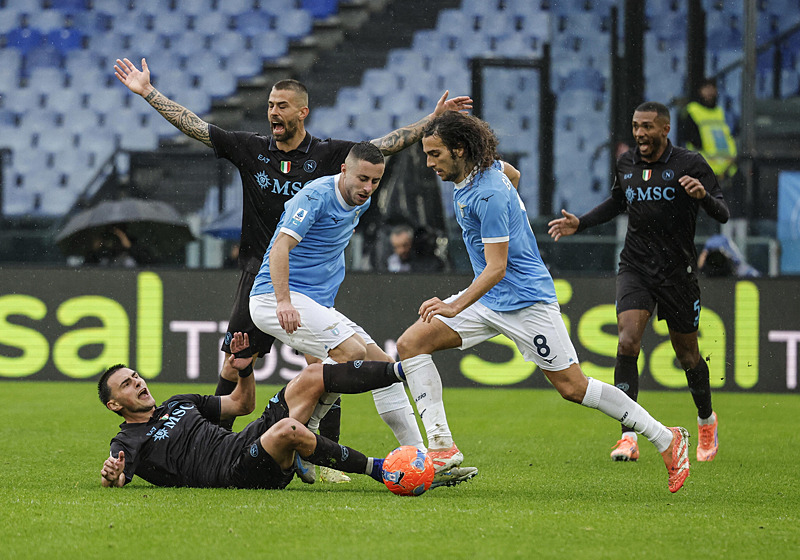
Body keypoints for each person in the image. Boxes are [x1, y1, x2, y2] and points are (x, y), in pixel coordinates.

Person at [112, 57, 473, 443]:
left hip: (310, 279)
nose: (273, 112)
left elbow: (386, 145)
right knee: (236, 362)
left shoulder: (332, 156)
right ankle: (209, 441)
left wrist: (430, 124)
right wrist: (149, 92)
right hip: (261, 274)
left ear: (302, 112)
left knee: (329, 361)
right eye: (269, 105)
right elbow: (198, 128)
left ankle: (323, 452)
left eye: (281, 105)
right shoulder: (251, 149)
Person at [393, 111, 690, 493]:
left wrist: (454, 306)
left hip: (525, 301)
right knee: (411, 344)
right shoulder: (485, 171)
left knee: (573, 388)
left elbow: (497, 268)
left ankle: (667, 439)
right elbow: (512, 173)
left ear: (459, 150)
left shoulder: (489, 194)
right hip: (491, 300)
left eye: (435, 154)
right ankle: (442, 447)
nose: (429, 163)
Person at [248, 141, 477, 488]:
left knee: (380, 366)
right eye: (362, 178)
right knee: (350, 353)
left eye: (375, 181)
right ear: (343, 170)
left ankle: (422, 459)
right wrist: (283, 302)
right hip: (273, 297)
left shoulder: (362, 200)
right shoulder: (315, 198)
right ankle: (304, 437)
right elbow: (280, 247)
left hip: (314, 302)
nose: (368, 188)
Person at [548, 101, 730, 465]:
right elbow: (618, 202)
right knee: (628, 340)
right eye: (635, 126)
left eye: (647, 127)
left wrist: (703, 197)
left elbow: (723, 213)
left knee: (688, 355)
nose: (639, 134)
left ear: (665, 129)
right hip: (636, 266)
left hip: (677, 272)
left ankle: (706, 421)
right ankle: (628, 436)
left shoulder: (690, 164)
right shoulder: (627, 163)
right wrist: (580, 223)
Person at [99, 332, 412, 490]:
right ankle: (382, 469)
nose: (137, 382)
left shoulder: (179, 402)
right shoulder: (127, 440)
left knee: (314, 375)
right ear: (114, 405)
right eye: (126, 384)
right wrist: (112, 475)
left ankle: (400, 371)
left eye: (135, 376)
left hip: (249, 439)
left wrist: (246, 372)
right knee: (288, 430)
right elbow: (116, 475)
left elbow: (241, 405)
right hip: (237, 471)